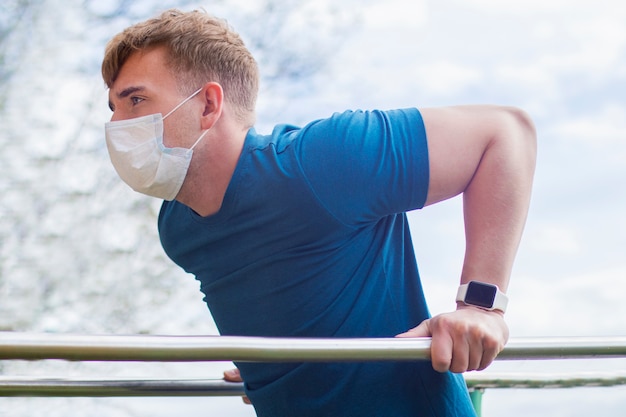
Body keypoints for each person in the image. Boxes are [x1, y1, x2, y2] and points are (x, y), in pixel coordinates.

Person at [102, 8, 536, 417]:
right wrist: (276, 366)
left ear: (208, 105)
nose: (118, 126)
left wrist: (481, 307)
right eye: (114, 110)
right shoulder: (177, 228)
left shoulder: (320, 161)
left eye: (135, 101)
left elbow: (505, 132)